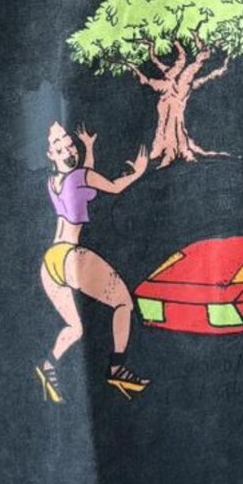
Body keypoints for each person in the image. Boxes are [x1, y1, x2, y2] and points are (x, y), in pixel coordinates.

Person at [36, 119, 149, 403]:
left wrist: (87, 148)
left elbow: (85, 177)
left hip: (51, 260)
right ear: (50, 154)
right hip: (71, 256)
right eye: (61, 148)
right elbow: (112, 186)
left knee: (76, 328)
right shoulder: (79, 176)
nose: (68, 151)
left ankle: (48, 365)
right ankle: (117, 368)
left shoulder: (53, 182)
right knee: (123, 303)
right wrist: (139, 172)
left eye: (69, 146)